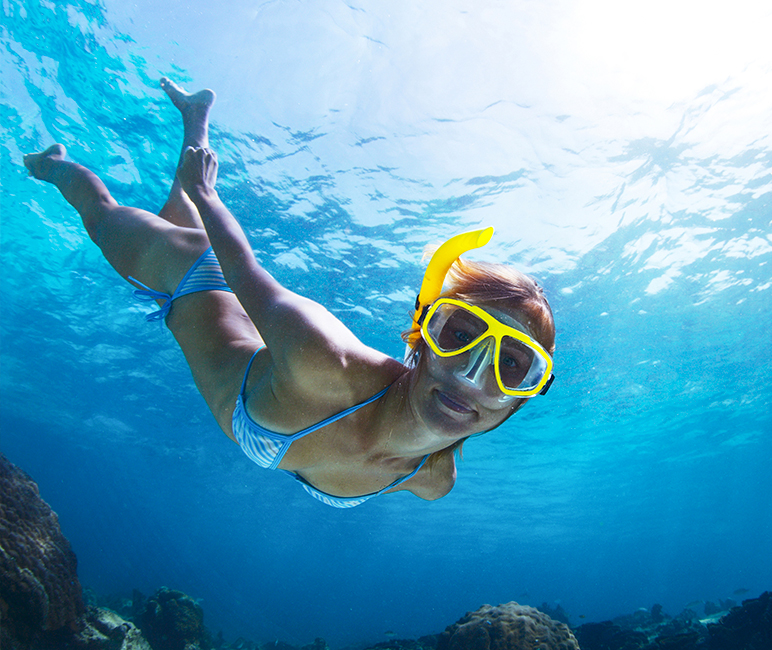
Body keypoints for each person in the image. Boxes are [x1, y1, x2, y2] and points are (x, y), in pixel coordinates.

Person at [23, 78, 556, 508]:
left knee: (171, 217)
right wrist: (205, 193)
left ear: (524, 397)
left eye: (514, 365)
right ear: (419, 336)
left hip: (243, 329)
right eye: (459, 336)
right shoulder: (325, 360)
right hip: (194, 276)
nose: (471, 374)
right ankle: (51, 165)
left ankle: (194, 121)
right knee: (103, 219)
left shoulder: (431, 479)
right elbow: (244, 271)